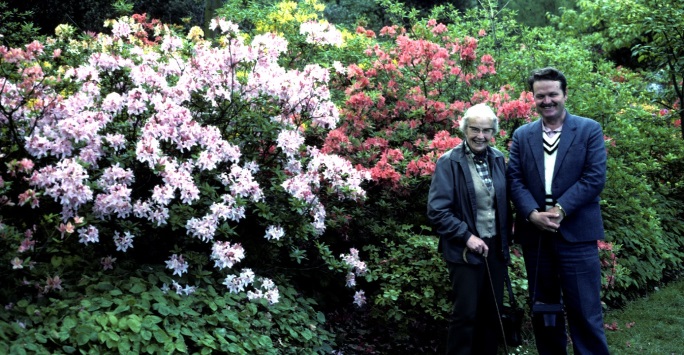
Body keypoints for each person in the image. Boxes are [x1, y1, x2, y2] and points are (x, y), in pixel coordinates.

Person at [507, 67, 610, 354]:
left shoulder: (588, 129)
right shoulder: (523, 135)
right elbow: (514, 179)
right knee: (545, 311)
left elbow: (594, 178)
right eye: (541, 96)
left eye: (553, 94)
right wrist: (531, 214)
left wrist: (561, 210)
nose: (547, 100)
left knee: (585, 312)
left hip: (576, 235)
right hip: (536, 237)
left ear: (564, 94)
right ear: (533, 98)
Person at [427, 103, 511, 355]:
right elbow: (437, 211)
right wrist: (467, 236)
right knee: (465, 316)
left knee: (491, 314)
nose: (480, 136)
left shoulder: (498, 159)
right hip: (464, 252)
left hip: (494, 250)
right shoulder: (449, 162)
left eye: (486, 130)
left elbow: (505, 204)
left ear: (493, 132)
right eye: (474, 129)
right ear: (464, 129)